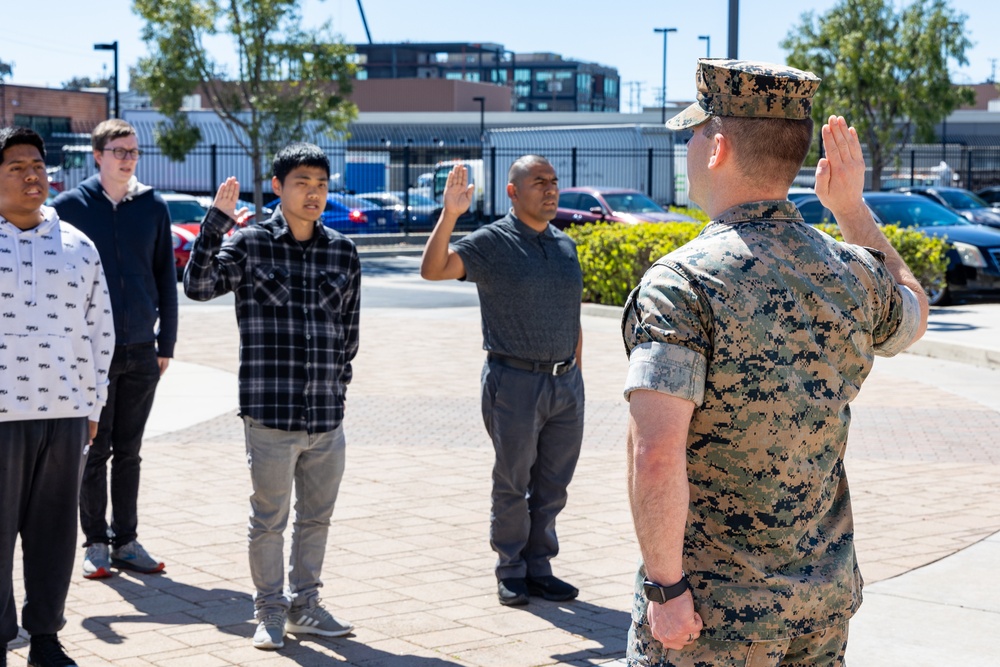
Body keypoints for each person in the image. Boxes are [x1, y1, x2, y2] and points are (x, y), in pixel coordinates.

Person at [623, 59, 929, 666]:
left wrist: (665, 588)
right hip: (820, 610)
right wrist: (852, 209)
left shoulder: (681, 284)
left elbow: (655, 455)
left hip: (713, 618)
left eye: (693, 133)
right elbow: (914, 315)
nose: (686, 147)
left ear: (718, 148)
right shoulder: (854, 273)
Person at [183, 143, 360, 650]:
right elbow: (197, 286)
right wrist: (214, 225)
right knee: (269, 520)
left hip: (326, 415)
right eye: (303, 183)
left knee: (317, 517)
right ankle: (269, 610)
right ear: (278, 187)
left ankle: (306, 605)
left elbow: (349, 336)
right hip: (270, 414)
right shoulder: (250, 244)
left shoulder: (343, 252)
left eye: (322, 184)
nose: (314, 193)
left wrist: (336, 391)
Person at [420, 156, 585, 607]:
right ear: (513, 192)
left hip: (565, 384)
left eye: (553, 182)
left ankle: (539, 567)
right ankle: (510, 569)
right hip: (513, 382)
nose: (550, 190)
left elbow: (571, 316)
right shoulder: (493, 242)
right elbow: (433, 270)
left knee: (553, 485)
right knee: (513, 482)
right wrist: (450, 214)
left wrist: (576, 375)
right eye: (538, 183)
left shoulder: (564, 245)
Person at [0, 126, 114, 667]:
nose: (31, 174)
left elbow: (101, 331)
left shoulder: (78, 245)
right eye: (16, 166)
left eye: (37, 165)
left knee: (53, 534)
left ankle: (44, 636)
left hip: (65, 411)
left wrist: (93, 405)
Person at [52, 118, 176, 579]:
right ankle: (96, 543)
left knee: (130, 450)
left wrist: (168, 341)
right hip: (90, 352)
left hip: (143, 348)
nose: (128, 158)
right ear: (97, 155)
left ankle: (127, 540)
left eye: (133, 151)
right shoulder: (68, 207)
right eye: (119, 150)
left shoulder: (153, 206)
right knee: (94, 449)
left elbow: (166, 276)